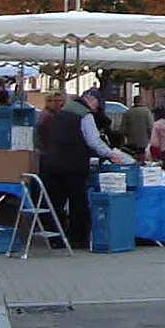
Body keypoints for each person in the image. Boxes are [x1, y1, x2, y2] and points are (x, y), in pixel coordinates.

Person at [39, 87, 119, 247]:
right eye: (97, 106)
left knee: (56, 201)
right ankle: (77, 238)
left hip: (51, 162)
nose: (97, 110)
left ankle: (55, 238)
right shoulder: (85, 115)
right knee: (77, 202)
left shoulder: (63, 112)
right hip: (73, 164)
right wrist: (111, 154)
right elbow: (94, 141)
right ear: (92, 101)